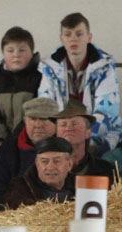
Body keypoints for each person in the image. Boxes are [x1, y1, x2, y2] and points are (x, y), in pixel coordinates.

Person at [37, 12, 121, 155]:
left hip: (100, 137)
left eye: (79, 34)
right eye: (68, 35)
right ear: (61, 39)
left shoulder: (105, 66)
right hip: (61, 136)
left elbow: (106, 113)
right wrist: (65, 138)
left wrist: (82, 139)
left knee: (107, 158)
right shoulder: (48, 68)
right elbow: (46, 108)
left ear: (89, 37)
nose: (73, 39)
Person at [0, 27, 42, 153]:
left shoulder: (39, 78)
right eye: (10, 50)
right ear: (3, 53)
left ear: (32, 53)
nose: (16, 55)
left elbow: (35, 113)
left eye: (22, 50)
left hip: (29, 138)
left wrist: (15, 141)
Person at [0, 97, 59, 206]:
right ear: (25, 120)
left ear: (56, 122)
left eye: (44, 119)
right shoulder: (8, 149)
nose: (38, 125)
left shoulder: (67, 148)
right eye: (33, 119)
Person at [53, 99, 116, 186]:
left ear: (88, 132)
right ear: (56, 133)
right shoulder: (44, 170)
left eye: (74, 124)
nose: (68, 128)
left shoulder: (105, 170)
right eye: (63, 125)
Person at [2, 136, 75, 208]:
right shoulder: (20, 190)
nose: (50, 167)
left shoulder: (80, 189)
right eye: (44, 161)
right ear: (37, 164)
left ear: (69, 164)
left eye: (57, 161)